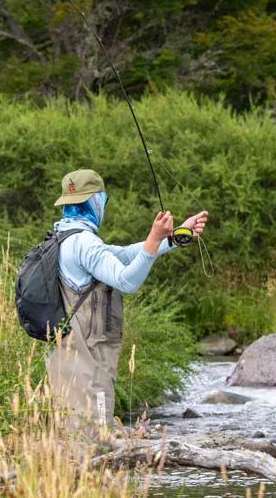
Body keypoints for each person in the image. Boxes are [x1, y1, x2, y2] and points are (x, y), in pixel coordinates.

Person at [45, 168, 208, 442]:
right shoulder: (84, 243)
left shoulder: (62, 238)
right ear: (96, 201)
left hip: (65, 361)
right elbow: (127, 281)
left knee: (67, 438)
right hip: (90, 367)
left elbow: (124, 254)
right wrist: (154, 239)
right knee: (94, 441)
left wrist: (177, 236)